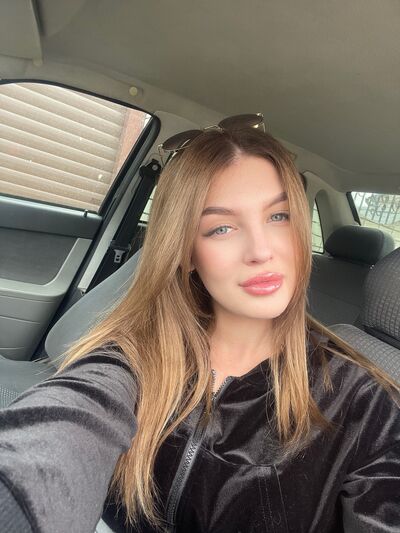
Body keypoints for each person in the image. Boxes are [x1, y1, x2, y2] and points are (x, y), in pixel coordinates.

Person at [0, 116, 399, 533]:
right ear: (187, 253)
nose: (261, 250)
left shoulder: (364, 404)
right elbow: (60, 435)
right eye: (221, 228)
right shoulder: (137, 354)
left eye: (278, 216)